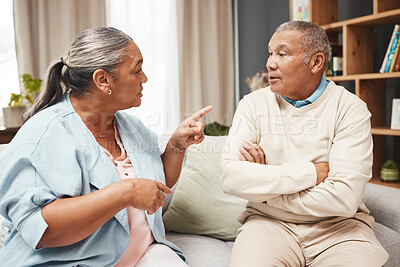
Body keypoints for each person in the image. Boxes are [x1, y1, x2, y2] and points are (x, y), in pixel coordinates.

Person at [0, 27, 212, 266]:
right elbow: (42, 229)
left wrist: (176, 145)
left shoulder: (129, 127)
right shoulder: (42, 135)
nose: (145, 78)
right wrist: (125, 192)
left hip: (141, 254)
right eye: (137, 70)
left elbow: (155, 188)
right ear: (103, 80)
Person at [220, 21, 389, 267]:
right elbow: (230, 177)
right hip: (268, 225)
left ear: (316, 62)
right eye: (270, 53)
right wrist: (312, 172)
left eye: (282, 53)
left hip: (339, 229)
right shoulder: (252, 104)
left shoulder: (350, 109)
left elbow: (343, 198)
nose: (270, 63)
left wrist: (265, 191)